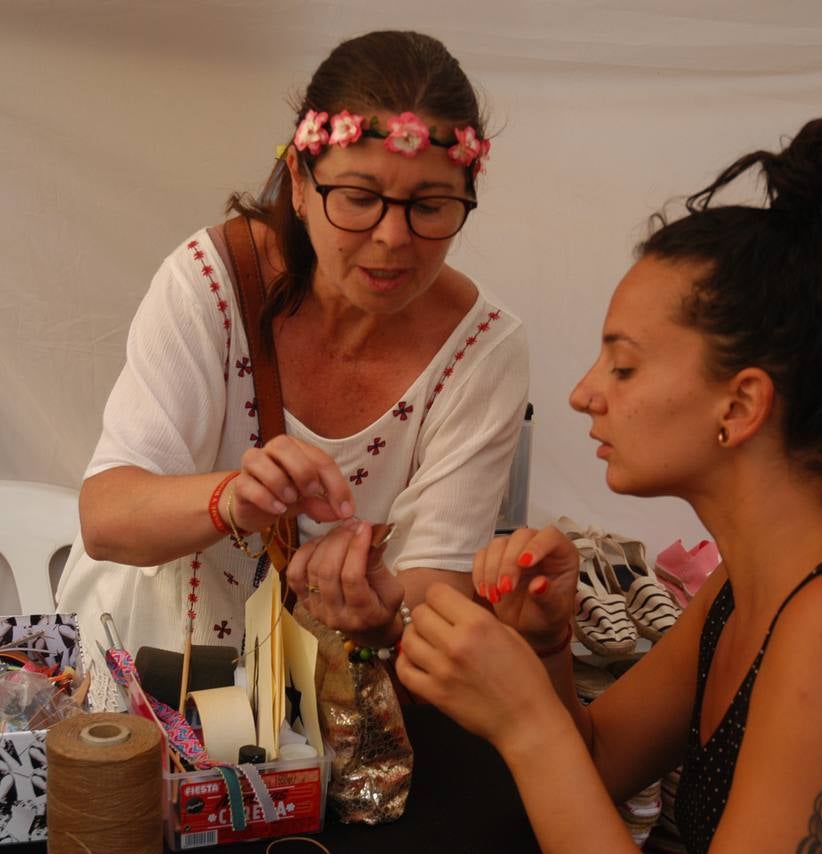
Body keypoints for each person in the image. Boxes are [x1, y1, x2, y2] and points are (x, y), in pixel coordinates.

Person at [396, 116, 822, 854]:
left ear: (741, 404)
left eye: (622, 366)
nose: (584, 393)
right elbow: (595, 766)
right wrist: (548, 647)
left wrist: (523, 723)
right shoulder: (745, 590)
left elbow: (555, 761)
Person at [55, 30, 528, 710]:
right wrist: (231, 498)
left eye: (428, 206)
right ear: (300, 185)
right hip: (148, 678)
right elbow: (108, 516)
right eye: (358, 197)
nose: (392, 238)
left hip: (331, 703)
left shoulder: (484, 349)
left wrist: (380, 614)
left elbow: (436, 580)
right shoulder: (209, 283)